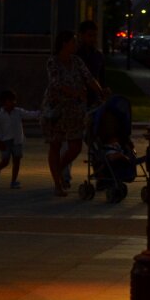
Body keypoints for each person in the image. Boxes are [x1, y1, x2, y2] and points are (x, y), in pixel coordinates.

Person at [41, 29, 104, 197]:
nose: (75, 45)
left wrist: (100, 92)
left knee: (75, 146)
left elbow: (89, 78)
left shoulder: (77, 61)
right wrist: (75, 92)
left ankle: (59, 169)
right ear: (64, 43)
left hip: (74, 110)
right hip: (56, 108)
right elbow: (56, 83)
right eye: (73, 42)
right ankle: (57, 183)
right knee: (56, 144)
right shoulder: (53, 62)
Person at [0, 89, 39, 188]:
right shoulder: (0, 116)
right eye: (11, 101)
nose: (13, 103)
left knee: (17, 161)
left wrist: (39, 113)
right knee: (5, 161)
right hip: (5, 141)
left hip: (17, 140)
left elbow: (29, 114)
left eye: (14, 101)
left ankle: (13, 181)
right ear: (4, 102)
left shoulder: (18, 112)